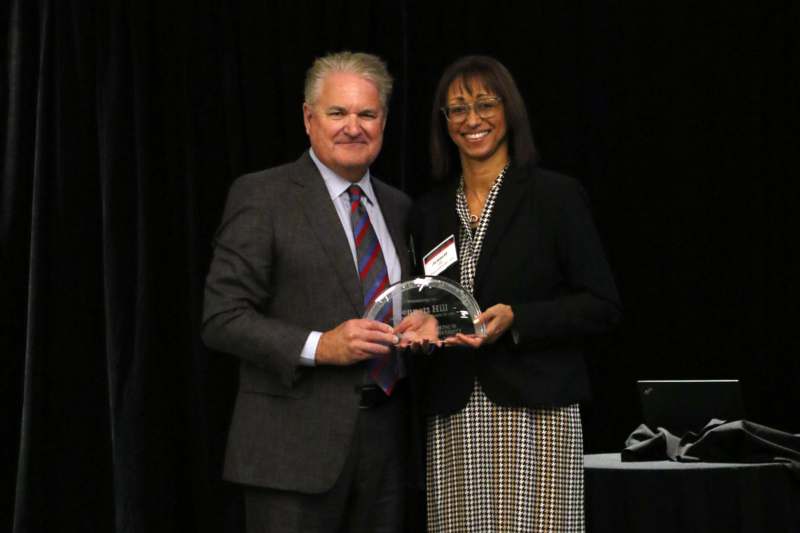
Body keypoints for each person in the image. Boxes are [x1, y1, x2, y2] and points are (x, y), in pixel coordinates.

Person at [202, 51, 413, 533]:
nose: (353, 127)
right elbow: (221, 317)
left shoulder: (400, 208)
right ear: (308, 117)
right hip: (290, 454)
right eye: (338, 113)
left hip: (387, 447)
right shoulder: (263, 195)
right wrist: (322, 346)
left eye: (367, 114)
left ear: (384, 120)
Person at [410, 55, 622, 532]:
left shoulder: (555, 197)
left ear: (510, 111)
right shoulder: (428, 211)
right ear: (444, 124)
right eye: (457, 110)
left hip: (536, 413)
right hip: (456, 417)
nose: (473, 120)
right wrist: (421, 330)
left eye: (485, 103)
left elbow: (602, 305)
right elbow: (429, 305)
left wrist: (518, 319)